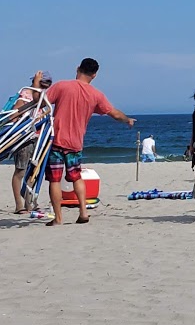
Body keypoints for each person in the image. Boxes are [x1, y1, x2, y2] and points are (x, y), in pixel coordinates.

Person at [44, 57, 136, 226]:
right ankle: (83, 212)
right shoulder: (95, 94)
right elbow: (114, 113)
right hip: (75, 143)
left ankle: (58, 218)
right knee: (76, 177)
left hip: (56, 140)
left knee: (55, 180)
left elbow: (42, 103)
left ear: (78, 68)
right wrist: (127, 119)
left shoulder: (62, 86)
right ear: (94, 75)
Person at [11, 70, 51, 214]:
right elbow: (14, 115)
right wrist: (33, 101)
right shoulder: (26, 94)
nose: (45, 87)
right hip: (25, 137)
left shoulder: (43, 96)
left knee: (33, 172)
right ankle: (18, 205)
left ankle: (29, 203)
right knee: (20, 170)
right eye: (43, 83)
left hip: (39, 137)